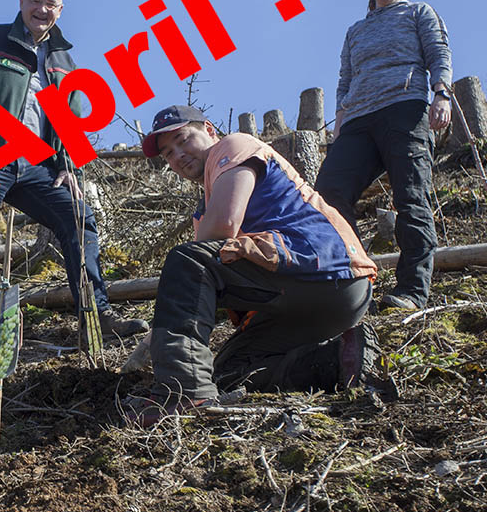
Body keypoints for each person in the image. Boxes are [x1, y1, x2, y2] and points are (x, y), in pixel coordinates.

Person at [0, 0, 146, 362]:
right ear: (21, 2)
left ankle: (96, 314)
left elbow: (68, 121)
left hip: (36, 160)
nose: (42, 9)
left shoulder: (63, 61)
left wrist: (70, 169)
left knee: (78, 217)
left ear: (60, 11)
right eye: (35, 0)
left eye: (51, 4)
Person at [128, 105, 379, 426]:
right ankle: (339, 359)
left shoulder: (233, 146)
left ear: (208, 129)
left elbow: (223, 227)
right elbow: (206, 285)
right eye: (167, 153)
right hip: (302, 303)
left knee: (187, 260)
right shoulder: (203, 208)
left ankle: (183, 394)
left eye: (182, 139)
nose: (177, 155)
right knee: (230, 373)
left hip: (326, 269)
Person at [315, 0, 452, 312]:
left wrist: (442, 93)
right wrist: (341, 115)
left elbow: (438, 53)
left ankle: (412, 290)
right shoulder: (355, 30)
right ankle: (355, 279)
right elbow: (346, 77)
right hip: (359, 119)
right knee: (329, 194)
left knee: (411, 196)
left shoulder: (418, 12)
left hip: (404, 108)